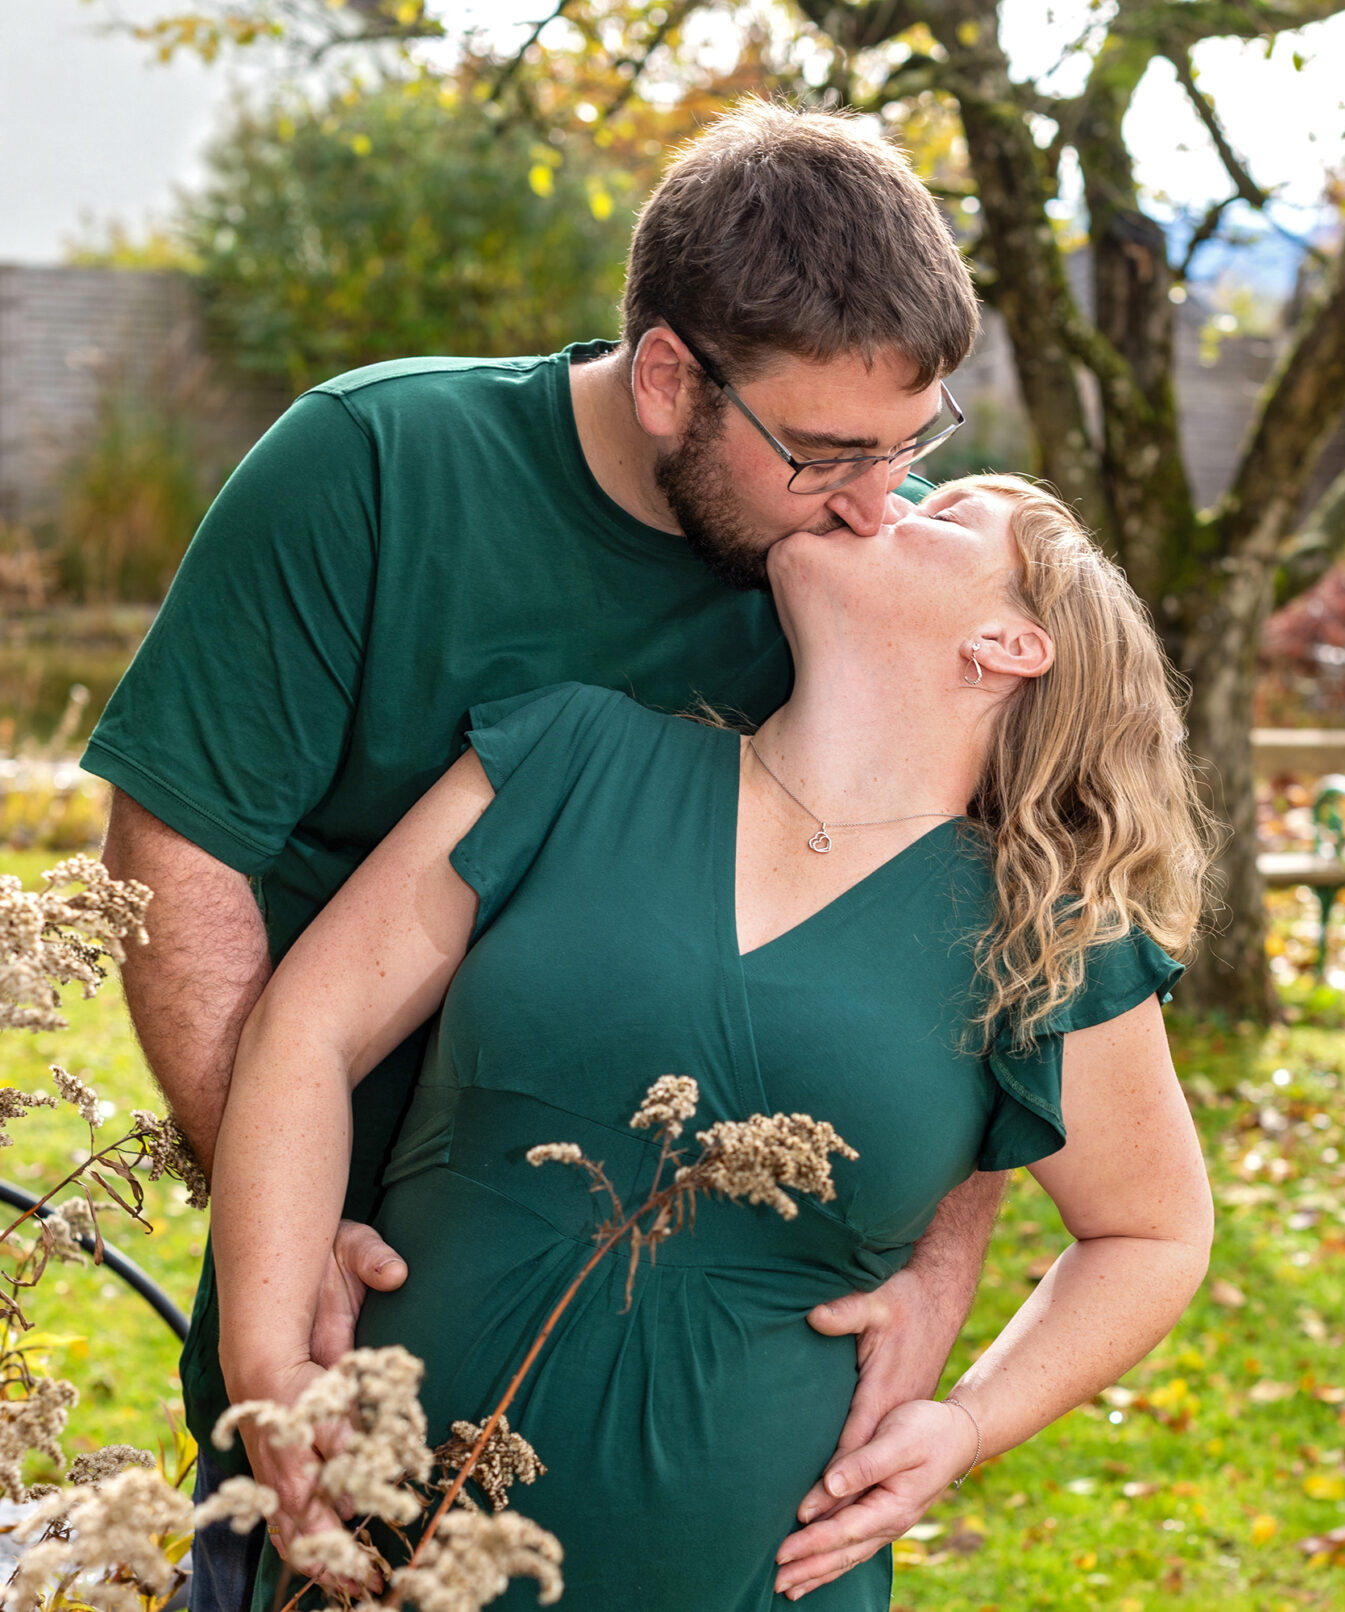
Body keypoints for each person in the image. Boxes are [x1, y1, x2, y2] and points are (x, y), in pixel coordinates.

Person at [84, 102, 1006, 1612]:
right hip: (347, 1339)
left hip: (707, 1440)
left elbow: (987, 939)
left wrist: (939, 1258)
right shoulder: (376, 466)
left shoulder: (860, 586)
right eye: (828, 452)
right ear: (667, 377)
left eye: (911, 443)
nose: (873, 500)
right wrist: (284, 1237)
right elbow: (178, 848)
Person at [212, 473, 1216, 1610]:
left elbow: (1153, 1231)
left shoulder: (1042, 938)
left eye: (941, 513)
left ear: (1010, 645)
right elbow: (308, 1027)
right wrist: (267, 1358)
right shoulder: (568, 758)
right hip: (374, 1538)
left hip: (751, 1574)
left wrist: (968, 1424)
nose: (875, 500)